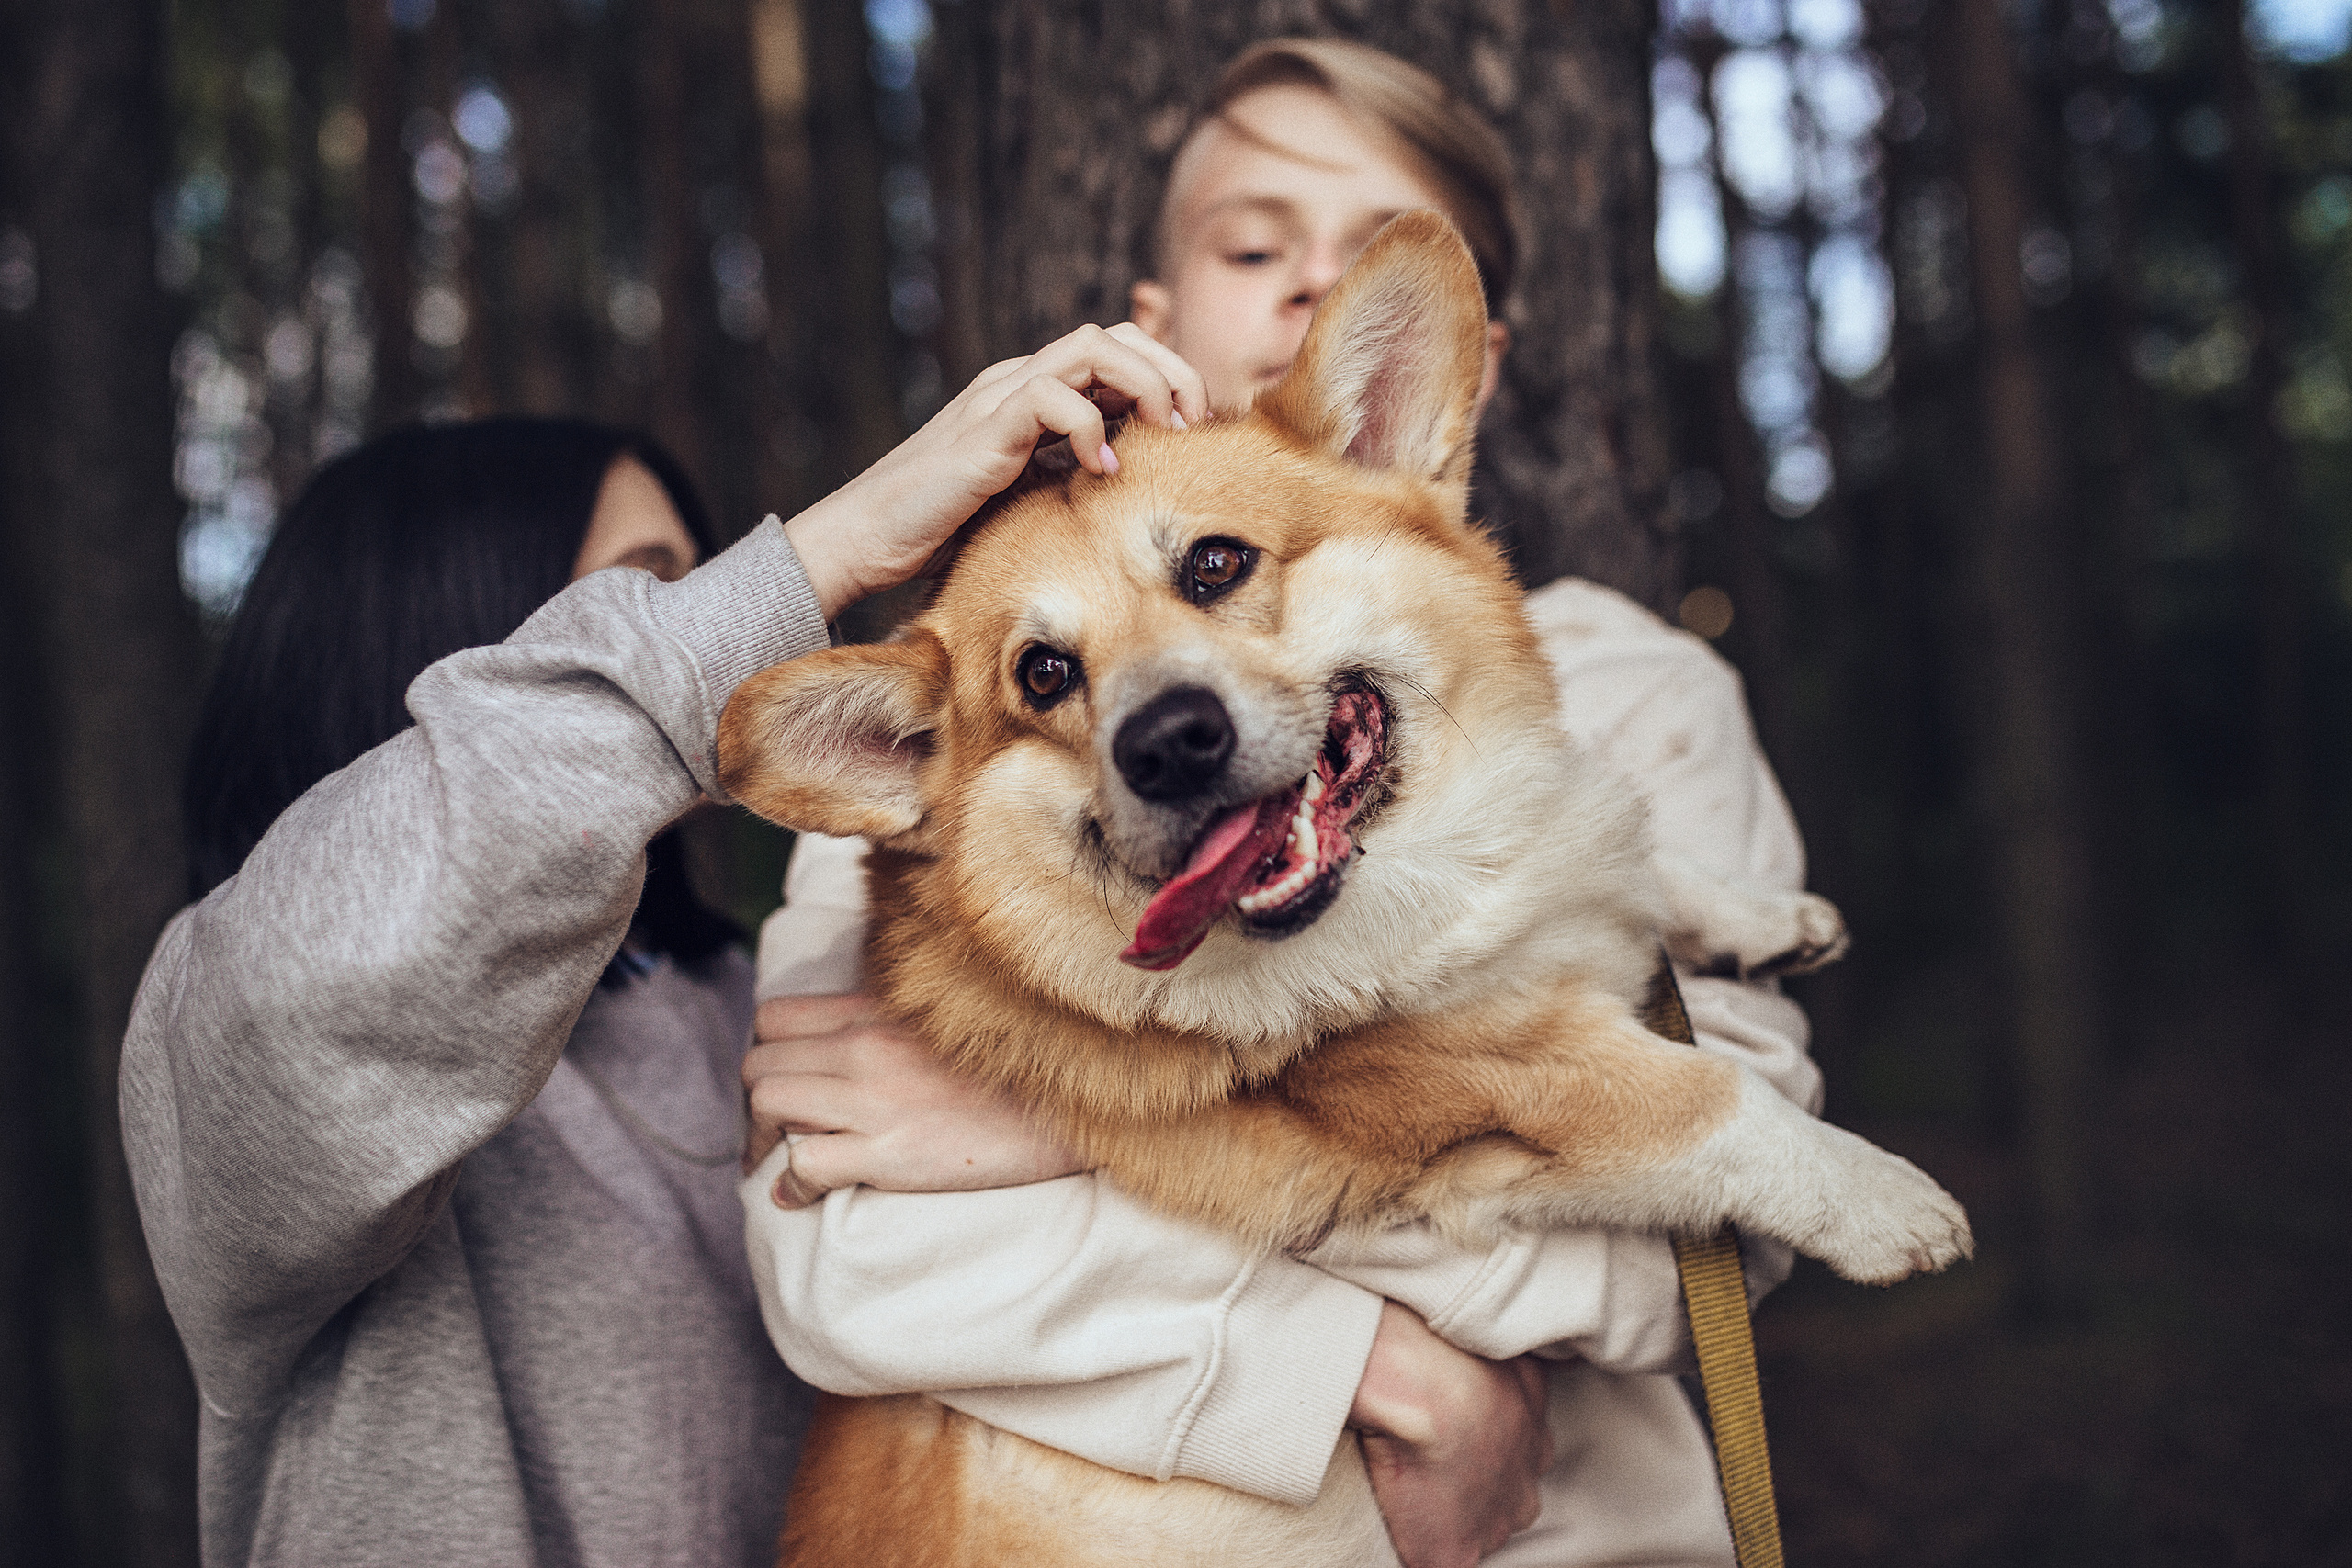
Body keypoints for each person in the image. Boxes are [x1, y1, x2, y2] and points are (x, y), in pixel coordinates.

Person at [739, 38, 1826, 1568]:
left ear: (1448, 369)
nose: (1315, 283)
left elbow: (1715, 1227)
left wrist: (1076, 1126)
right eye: (1255, 248)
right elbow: (841, 1268)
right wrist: (1380, 1374)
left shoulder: (1644, 693)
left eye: (1360, 250)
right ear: (1154, 320)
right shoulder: (975, 774)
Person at [120, 333, 1211, 1568]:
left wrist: (1061, 1130)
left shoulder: (756, 990)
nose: (747, 643)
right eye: (651, 598)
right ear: (437, 646)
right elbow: (318, 983)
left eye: (703, 590)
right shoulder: (226, 1017)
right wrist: (835, 543)